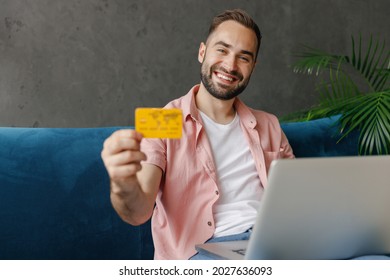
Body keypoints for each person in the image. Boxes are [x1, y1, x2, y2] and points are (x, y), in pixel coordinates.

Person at [101, 9, 295, 260]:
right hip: (204, 253)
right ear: (202, 52)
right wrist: (122, 183)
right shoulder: (162, 119)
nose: (230, 65)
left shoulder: (268, 124)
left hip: (272, 243)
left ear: (253, 67)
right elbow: (137, 213)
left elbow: (294, 202)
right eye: (222, 50)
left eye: (243, 57)